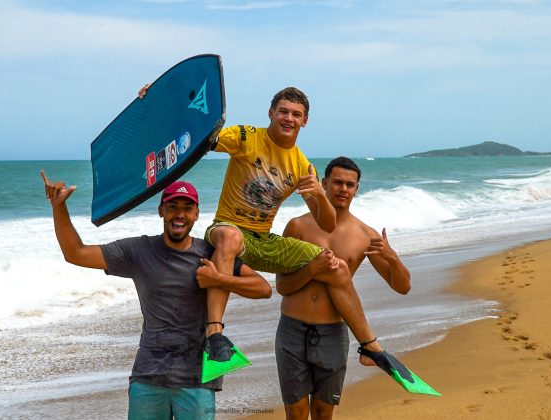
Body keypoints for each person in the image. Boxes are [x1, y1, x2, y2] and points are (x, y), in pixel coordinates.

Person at [138, 85, 383, 378]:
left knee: (335, 264)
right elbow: (197, 139)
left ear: (305, 121)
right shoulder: (246, 137)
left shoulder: (302, 167)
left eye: (296, 114)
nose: (288, 118)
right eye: (283, 111)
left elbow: (328, 224)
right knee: (231, 236)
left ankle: (369, 346)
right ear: (271, 113)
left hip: (262, 240)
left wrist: (318, 193)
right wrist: (163, 103)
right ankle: (214, 335)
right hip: (226, 227)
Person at [40, 172, 272, 420]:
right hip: (149, 374)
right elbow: (75, 253)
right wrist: (59, 207)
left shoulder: (211, 254)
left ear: (196, 214)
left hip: (197, 378)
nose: (179, 214)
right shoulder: (138, 251)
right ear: (161, 211)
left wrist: (219, 279)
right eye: (172, 207)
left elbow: (263, 288)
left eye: (187, 208)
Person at [275, 157, 411, 419]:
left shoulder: (365, 235)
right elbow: (282, 286)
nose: (343, 189)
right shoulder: (297, 226)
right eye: (337, 182)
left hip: (333, 333)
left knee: (324, 413)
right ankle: (371, 345)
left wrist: (392, 257)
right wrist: (312, 269)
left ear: (357, 189)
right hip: (292, 329)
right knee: (296, 413)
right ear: (324, 183)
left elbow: (402, 287)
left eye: (350, 184)